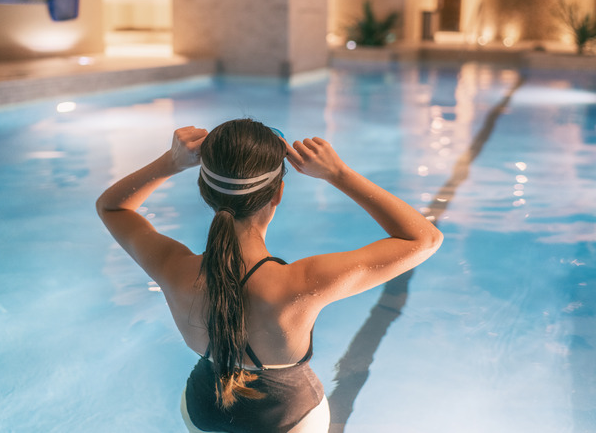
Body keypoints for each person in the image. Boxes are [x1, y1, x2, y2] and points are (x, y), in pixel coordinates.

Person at [96, 119, 443, 432]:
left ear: (204, 190)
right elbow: (424, 238)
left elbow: (112, 207)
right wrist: (338, 173)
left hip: (202, 413)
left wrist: (168, 163)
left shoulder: (172, 266)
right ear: (278, 193)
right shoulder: (304, 283)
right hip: (289, 422)